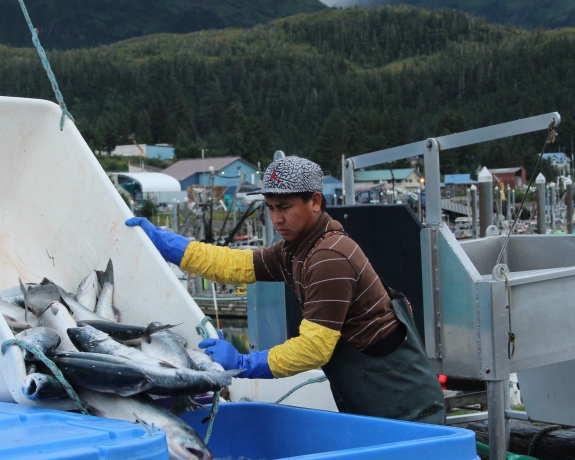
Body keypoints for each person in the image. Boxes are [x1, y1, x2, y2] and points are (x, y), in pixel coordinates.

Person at [126, 156, 445, 424]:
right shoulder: (296, 251)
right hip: (373, 401)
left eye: (285, 207)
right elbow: (233, 265)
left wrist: (243, 363)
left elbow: (314, 348)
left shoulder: (329, 257)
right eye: (270, 207)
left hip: (408, 410)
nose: (277, 218)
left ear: (315, 201)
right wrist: (171, 246)